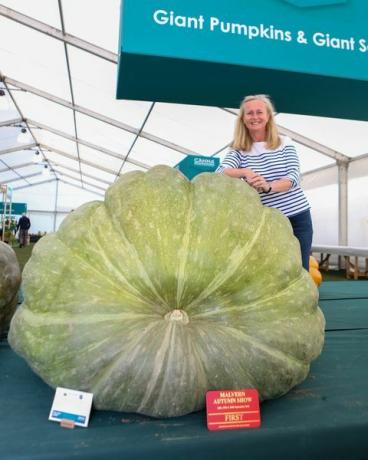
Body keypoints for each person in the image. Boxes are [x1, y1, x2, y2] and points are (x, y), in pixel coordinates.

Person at [216, 94, 313, 271]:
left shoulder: (284, 142)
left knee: (302, 270)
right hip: (268, 221)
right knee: (274, 270)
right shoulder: (238, 149)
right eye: (249, 113)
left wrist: (268, 186)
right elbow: (220, 172)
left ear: (268, 116)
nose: (255, 117)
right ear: (243, 119)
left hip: (298, 217)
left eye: (259, 112)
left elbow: (293, 177)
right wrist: (244, 172)